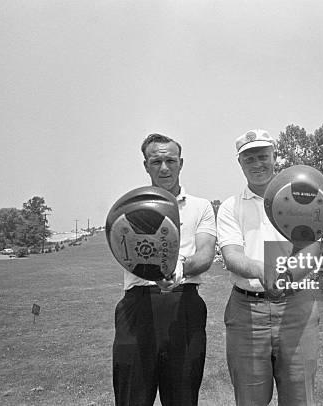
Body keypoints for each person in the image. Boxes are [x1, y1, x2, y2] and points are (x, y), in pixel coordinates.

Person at [217, 129, 321, 405]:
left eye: (263, 156)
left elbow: (311, 248)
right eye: (249, 159)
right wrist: (265, 270)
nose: (257, 164)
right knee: (250, 399)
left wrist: (286, 276)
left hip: (296, 306)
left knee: (300, 398)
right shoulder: (230, 207)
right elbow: (232, 255)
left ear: (275, 156)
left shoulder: (303, 197)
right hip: (247, 311)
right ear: (239, 163)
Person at [112, 133, 217, 406]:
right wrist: (155, 274)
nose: (164, 167)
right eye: (156, 161)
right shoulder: (132, 207)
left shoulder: (201, 207)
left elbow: (205, 254)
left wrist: (177, 268)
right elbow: (124, 249)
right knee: (132, 397)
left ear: (181, 162)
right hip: (138, 305)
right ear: (145, 165)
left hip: (185, 305)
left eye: (170, 160)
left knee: (182, 398)